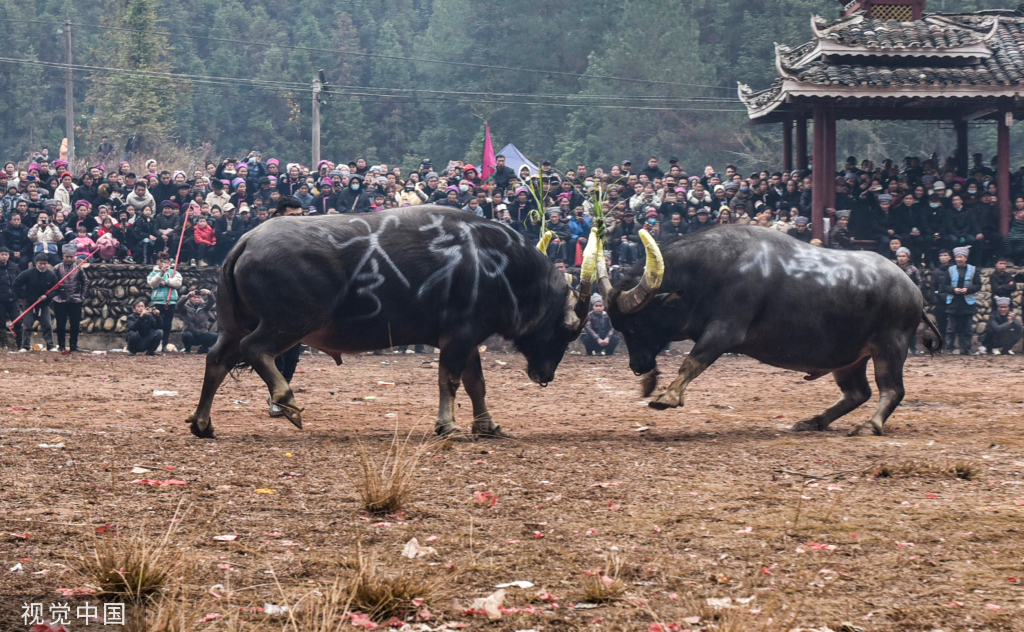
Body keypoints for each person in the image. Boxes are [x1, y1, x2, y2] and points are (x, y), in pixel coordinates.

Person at [270, 195, 306, 417]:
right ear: (279, 216)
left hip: (299, 307)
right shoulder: (266, 240)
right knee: (275, 355)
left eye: (300, 216)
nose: (298, 220)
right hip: (273, 308)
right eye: (292, 216)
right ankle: (276, 395)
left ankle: (283, 392)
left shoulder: (307, 239)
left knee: (293, 355)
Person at [14, 254, 58, 351]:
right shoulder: (28, 273)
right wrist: (23, 297)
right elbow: (16, 284)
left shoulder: (51, 275)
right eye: (41, 263)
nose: (43, 266)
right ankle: (25, 346)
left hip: (44, 304)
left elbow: (56, 289)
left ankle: (50, 345)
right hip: (30, 303)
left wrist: (47, 296)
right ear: (36, 263)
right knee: (27, 325)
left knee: (47, 325)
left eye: (45, 264)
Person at [941, 246, 981, 354]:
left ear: (966, 258)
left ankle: (967, 349)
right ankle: (949, 349)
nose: (959, 259)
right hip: (953, 302)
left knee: (967, 329)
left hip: (968, 303)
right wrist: (954, 290)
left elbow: (978, 285)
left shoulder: (973, 269)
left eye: (961, 257)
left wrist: (967, 290)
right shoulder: (950, 270)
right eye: (957, 257)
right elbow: (944, 286)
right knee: (951, 329)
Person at [52, 244, 88, 352]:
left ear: (74, 257)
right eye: (67, 256)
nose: (68, 259)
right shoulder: (57, 268)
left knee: (75, 324)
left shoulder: (79, 268)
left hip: (75, 300)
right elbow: (52, 283)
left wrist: (82, 296)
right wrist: (56, 294)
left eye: (71, 257)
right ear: (63, 256)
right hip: (60, 300)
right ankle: (61, 346)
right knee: (60, 324)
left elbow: (85, 282)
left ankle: (73, 345)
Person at [146, 253, 183, 352]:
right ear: (158, 262)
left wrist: (166, 282)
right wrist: (161, 274)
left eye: (166, 261)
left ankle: (165, 344)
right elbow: (153, 283)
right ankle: (155, 344)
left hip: (170, 301)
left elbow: (178, 283)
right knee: (157, 323)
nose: (164, 263)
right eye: (162, 261)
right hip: (158, 301)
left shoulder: (174, 272)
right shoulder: (153, 273)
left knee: (167, 324)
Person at [0, 248, 22, 349]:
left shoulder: (14, 267)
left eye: (6, 254)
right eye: (2, 254)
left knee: (17, 321)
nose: (4, 257)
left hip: (13, 299)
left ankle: (20, 343)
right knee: (1, 322)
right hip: (1, 300)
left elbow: (20, 281)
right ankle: (3, 344)